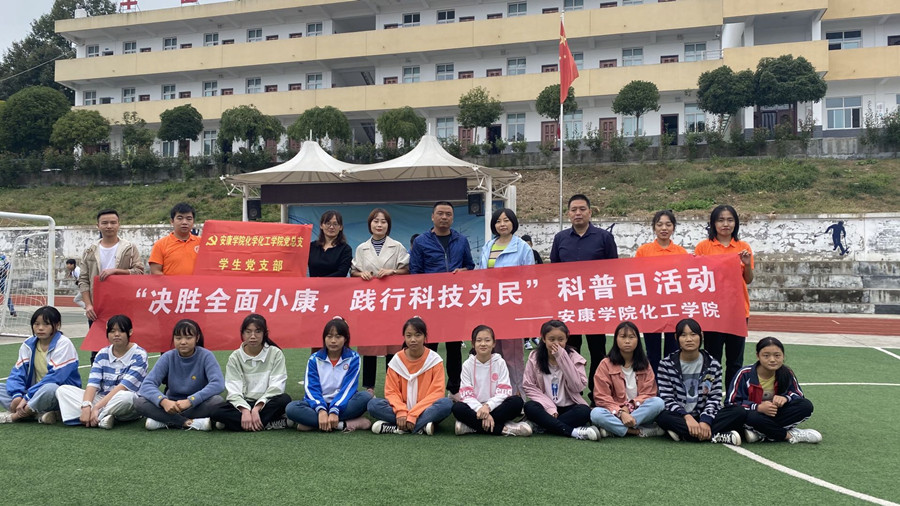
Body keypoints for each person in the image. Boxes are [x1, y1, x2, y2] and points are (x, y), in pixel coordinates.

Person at [550, 194, 618, 403]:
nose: (578, 213)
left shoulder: (604, 238)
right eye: (574, 210)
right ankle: (573, 395)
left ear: (590, 212)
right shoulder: (560, 238)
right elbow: (553, 272)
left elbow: (614, 270)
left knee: (598, 351)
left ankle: (598, 395)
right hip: (569, 305)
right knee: (570, 350)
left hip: (595, 306)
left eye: (582, 209)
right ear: (568, 213)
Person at [409, 201, 475, 401]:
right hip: (430, 303)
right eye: (440, 213)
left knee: (454, 348)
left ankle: (454, 389)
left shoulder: (461, 240)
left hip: (454, 301)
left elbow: (470, 265)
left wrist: (463, 271)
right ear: (432, 216)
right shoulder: (421, 242)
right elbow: (415, 272)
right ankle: (428, 389)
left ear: (452, 218)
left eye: (448, 214)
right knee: (429, 347)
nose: (444, 217)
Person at [716, 337, 821, 444]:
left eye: (777, 355)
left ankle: (760, 433)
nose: (772, 360)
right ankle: (788, 435)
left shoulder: (786, 372)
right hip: (752, 416)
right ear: (758, 356)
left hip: (773, 415)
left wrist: (785, 398)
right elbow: (731, 403)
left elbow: (798, 395)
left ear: (783, 356)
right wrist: (758, 407)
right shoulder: (744, 374)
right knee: (752, 417)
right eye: (766, 356)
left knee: (805, 406)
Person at [694, 204, 754, 391]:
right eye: (720, 220)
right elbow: (697, 277)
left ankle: (732, 397)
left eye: (730, 220)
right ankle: (710, 397)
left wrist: (747, 264)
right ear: (713, 223)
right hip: (713, 311)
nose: (725, 224)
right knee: (712, 359)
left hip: (737, 311)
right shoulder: (704, 247)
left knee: (735, 360)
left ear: (736, 223)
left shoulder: (743, 247)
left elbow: (748, 279)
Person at [655, 318, 740, 445]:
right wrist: (686, 416)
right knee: (662, 417)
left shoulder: (713, 364)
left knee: (738, 412)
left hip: (704, 413)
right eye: (683, 335)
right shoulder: (666, 364)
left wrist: (705, 420)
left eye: (693, 334)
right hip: (680, 415)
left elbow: (715, 397)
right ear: (676, 337)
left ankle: (685, 433)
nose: (689, 339)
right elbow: (667, 398)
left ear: (701, 336)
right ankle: (715, 435)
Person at [351, 208, 409, 394]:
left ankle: (393, 387)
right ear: (370, 224)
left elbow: (407, 270)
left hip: (391, 302)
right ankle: (369, 388)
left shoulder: (397, 246)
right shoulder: (361, 248)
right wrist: (361, 274)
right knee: (370, 346)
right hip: (370, 303)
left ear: (388, 225)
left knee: (393, 346)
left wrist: (393, 271)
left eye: (383, 221)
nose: (379, 225)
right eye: (375, 221)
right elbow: (353, 271)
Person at [477, 207, 533, 397]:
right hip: (491, 307)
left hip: (512, 307)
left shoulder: (523, 247)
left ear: (513, 223)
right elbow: (481, 275)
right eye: (498, 221)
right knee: (492, 351)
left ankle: (517, 395)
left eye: (506, 220)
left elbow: (529, 278)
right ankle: (495, 395)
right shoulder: (488, 246)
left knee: (513, 354)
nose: (502, 224)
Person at [56, 314, 148, 429]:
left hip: (123, 401)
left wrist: (96, 407)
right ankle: (103, 417)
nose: (116, 334)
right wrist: (86, 405)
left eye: (121, 331)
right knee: (63, 390)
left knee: (126, 398)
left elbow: (123, 387)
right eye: (112, 331)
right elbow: (92, 384)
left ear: (130, 332)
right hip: (102, 398)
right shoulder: (102, 353)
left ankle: (96, 416)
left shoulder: (139, 355)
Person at [367, 317, 453, 435]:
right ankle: (421, 426)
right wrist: (401, 411)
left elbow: (437, 393)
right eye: (409, 336)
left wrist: (414, 414)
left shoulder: (434, 360)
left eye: (418, 335)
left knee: (446, 404)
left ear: (425, 336)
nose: (413, 339)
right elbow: (391, 392)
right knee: (373, 405)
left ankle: (397, 427)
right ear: (404, 337)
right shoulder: (397, 361)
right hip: (401, 411)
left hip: (424, 409)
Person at [135, 319, 225, 431]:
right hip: (170, 406)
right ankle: (188, 422)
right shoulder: (168, 357)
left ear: (197, 338)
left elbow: (218, 384)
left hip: (196, 405)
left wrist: (190, 401)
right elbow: (147, 385)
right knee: (139, 402)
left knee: (216, 401)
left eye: (188, 338)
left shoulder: (206, 356)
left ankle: (165, 420)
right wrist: (164, 401)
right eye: (178, 338)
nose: (183, 342)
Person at [285, 317, 373, 432]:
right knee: (291, 408)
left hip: (343, 404)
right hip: (318, 403)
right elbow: (311, 388)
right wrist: (321, 410)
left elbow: (348, 388)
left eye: (338, 337)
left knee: (366, 397)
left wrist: (335, 409)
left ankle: (315, 423)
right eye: (329, 336)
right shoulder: (314, 359)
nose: (333, 341)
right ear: (324, 338)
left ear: (345, 338)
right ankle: (343, 424)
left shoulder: (353, 358)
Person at [211, 314, 292, 432]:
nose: (253, 336)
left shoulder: (275, 353)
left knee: (284, 400)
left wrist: (256, 409)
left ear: (264, 333)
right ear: (242, 334)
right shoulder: (235, 357)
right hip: (243, 403)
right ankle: (268, 423)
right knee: (215, 411)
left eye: (258, 331)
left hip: (266, 402)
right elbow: (234, 390)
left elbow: (277, 387)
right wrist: (245, 410)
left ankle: (233, 424)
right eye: (248, 332)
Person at [0, 306, 80, 424]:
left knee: (51, 388)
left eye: (46, 324)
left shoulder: (64, 344)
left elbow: (55, 378)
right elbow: (17, 373)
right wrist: (17, 396)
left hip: (57, 393)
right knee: (2, 388)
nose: (40, 328)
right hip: (33, 393)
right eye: (36, 324)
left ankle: (16, 416)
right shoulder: (28, 344)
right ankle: (36, 412)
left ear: (57, 325)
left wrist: (26, 398)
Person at [522, 320, 599, 441]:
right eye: (551, 339)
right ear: (543, 339)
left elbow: (577, 387)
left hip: (568, 407)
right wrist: (549, 407)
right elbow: (529, 386)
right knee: (529, 406)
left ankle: (543, 425)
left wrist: (561, 357)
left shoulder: (574, 357)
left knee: (584, 411)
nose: (556, 343)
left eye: (560, 339)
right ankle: (573, 432)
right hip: (545, 407)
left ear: (567, 339)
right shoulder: (534, 357)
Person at [634, 210, 688, 375]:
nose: (664, 228)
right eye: (659, 224)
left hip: (674, 309)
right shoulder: (644, 251)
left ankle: (670, 384)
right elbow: (636, 277)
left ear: (673, 227)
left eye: (668, 224)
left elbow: (685, 280)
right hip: (651, 308)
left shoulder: (681, 252)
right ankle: (653, 385)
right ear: (654, 227)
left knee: (673, 351)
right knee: (652, 353)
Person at [590, 321, 665, 438]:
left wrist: (629, 408)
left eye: (631, 337)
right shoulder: (605, 364)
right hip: (614, 412)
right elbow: (602, 397)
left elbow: (649, 393)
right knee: (595, 414)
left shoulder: (645, 364)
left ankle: (613, 429)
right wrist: (620, 412)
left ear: (638, 340)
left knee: (658, 402)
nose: (627, 341)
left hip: (639, 411)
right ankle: (636, 431)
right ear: (616, 339)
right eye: (623, 337)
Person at [452, 325, 529, 437]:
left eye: (487, 340)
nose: (483, 344)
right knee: (457, 408)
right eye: (479, 340)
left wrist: (488, 407)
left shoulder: (500, 362)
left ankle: (471, 426)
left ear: (494, 343)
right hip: (475, 408)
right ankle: (504, 428)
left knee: (517, 402)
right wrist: (481, 409)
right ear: (473, 344)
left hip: (496, 406)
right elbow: (466, 395)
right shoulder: (467, 365)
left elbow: (504, 392)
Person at [79, 209, 145, 324]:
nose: (109, 226)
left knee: (123, 334)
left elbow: (139, 272)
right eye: (105, 223)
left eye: (113, 222)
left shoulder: (129, 248)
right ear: (98, 226)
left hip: (124, 304)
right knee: (98, 335)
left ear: (119, 224)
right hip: (97, 307)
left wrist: (116, 271)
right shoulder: (89, 250)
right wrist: (88, 305)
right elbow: (83, 280)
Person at [149, 202, 200, 275]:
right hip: (169, 283)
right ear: (172, 221)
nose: (184, 222)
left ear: (193, 221)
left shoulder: (202, 243)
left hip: (197, 283)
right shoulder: (160, 245)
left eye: (189, 219)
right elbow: (155, 271)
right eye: (180, 218)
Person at [308, 209, 352, 278]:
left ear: (340, 227)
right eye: (328, 223)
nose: (331, 227)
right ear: (321, 226)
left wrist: (321, 280)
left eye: (335, 224)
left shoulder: (345, 249)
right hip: (313, 285)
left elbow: (342, 272)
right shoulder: (311, 246)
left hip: (335, 285)